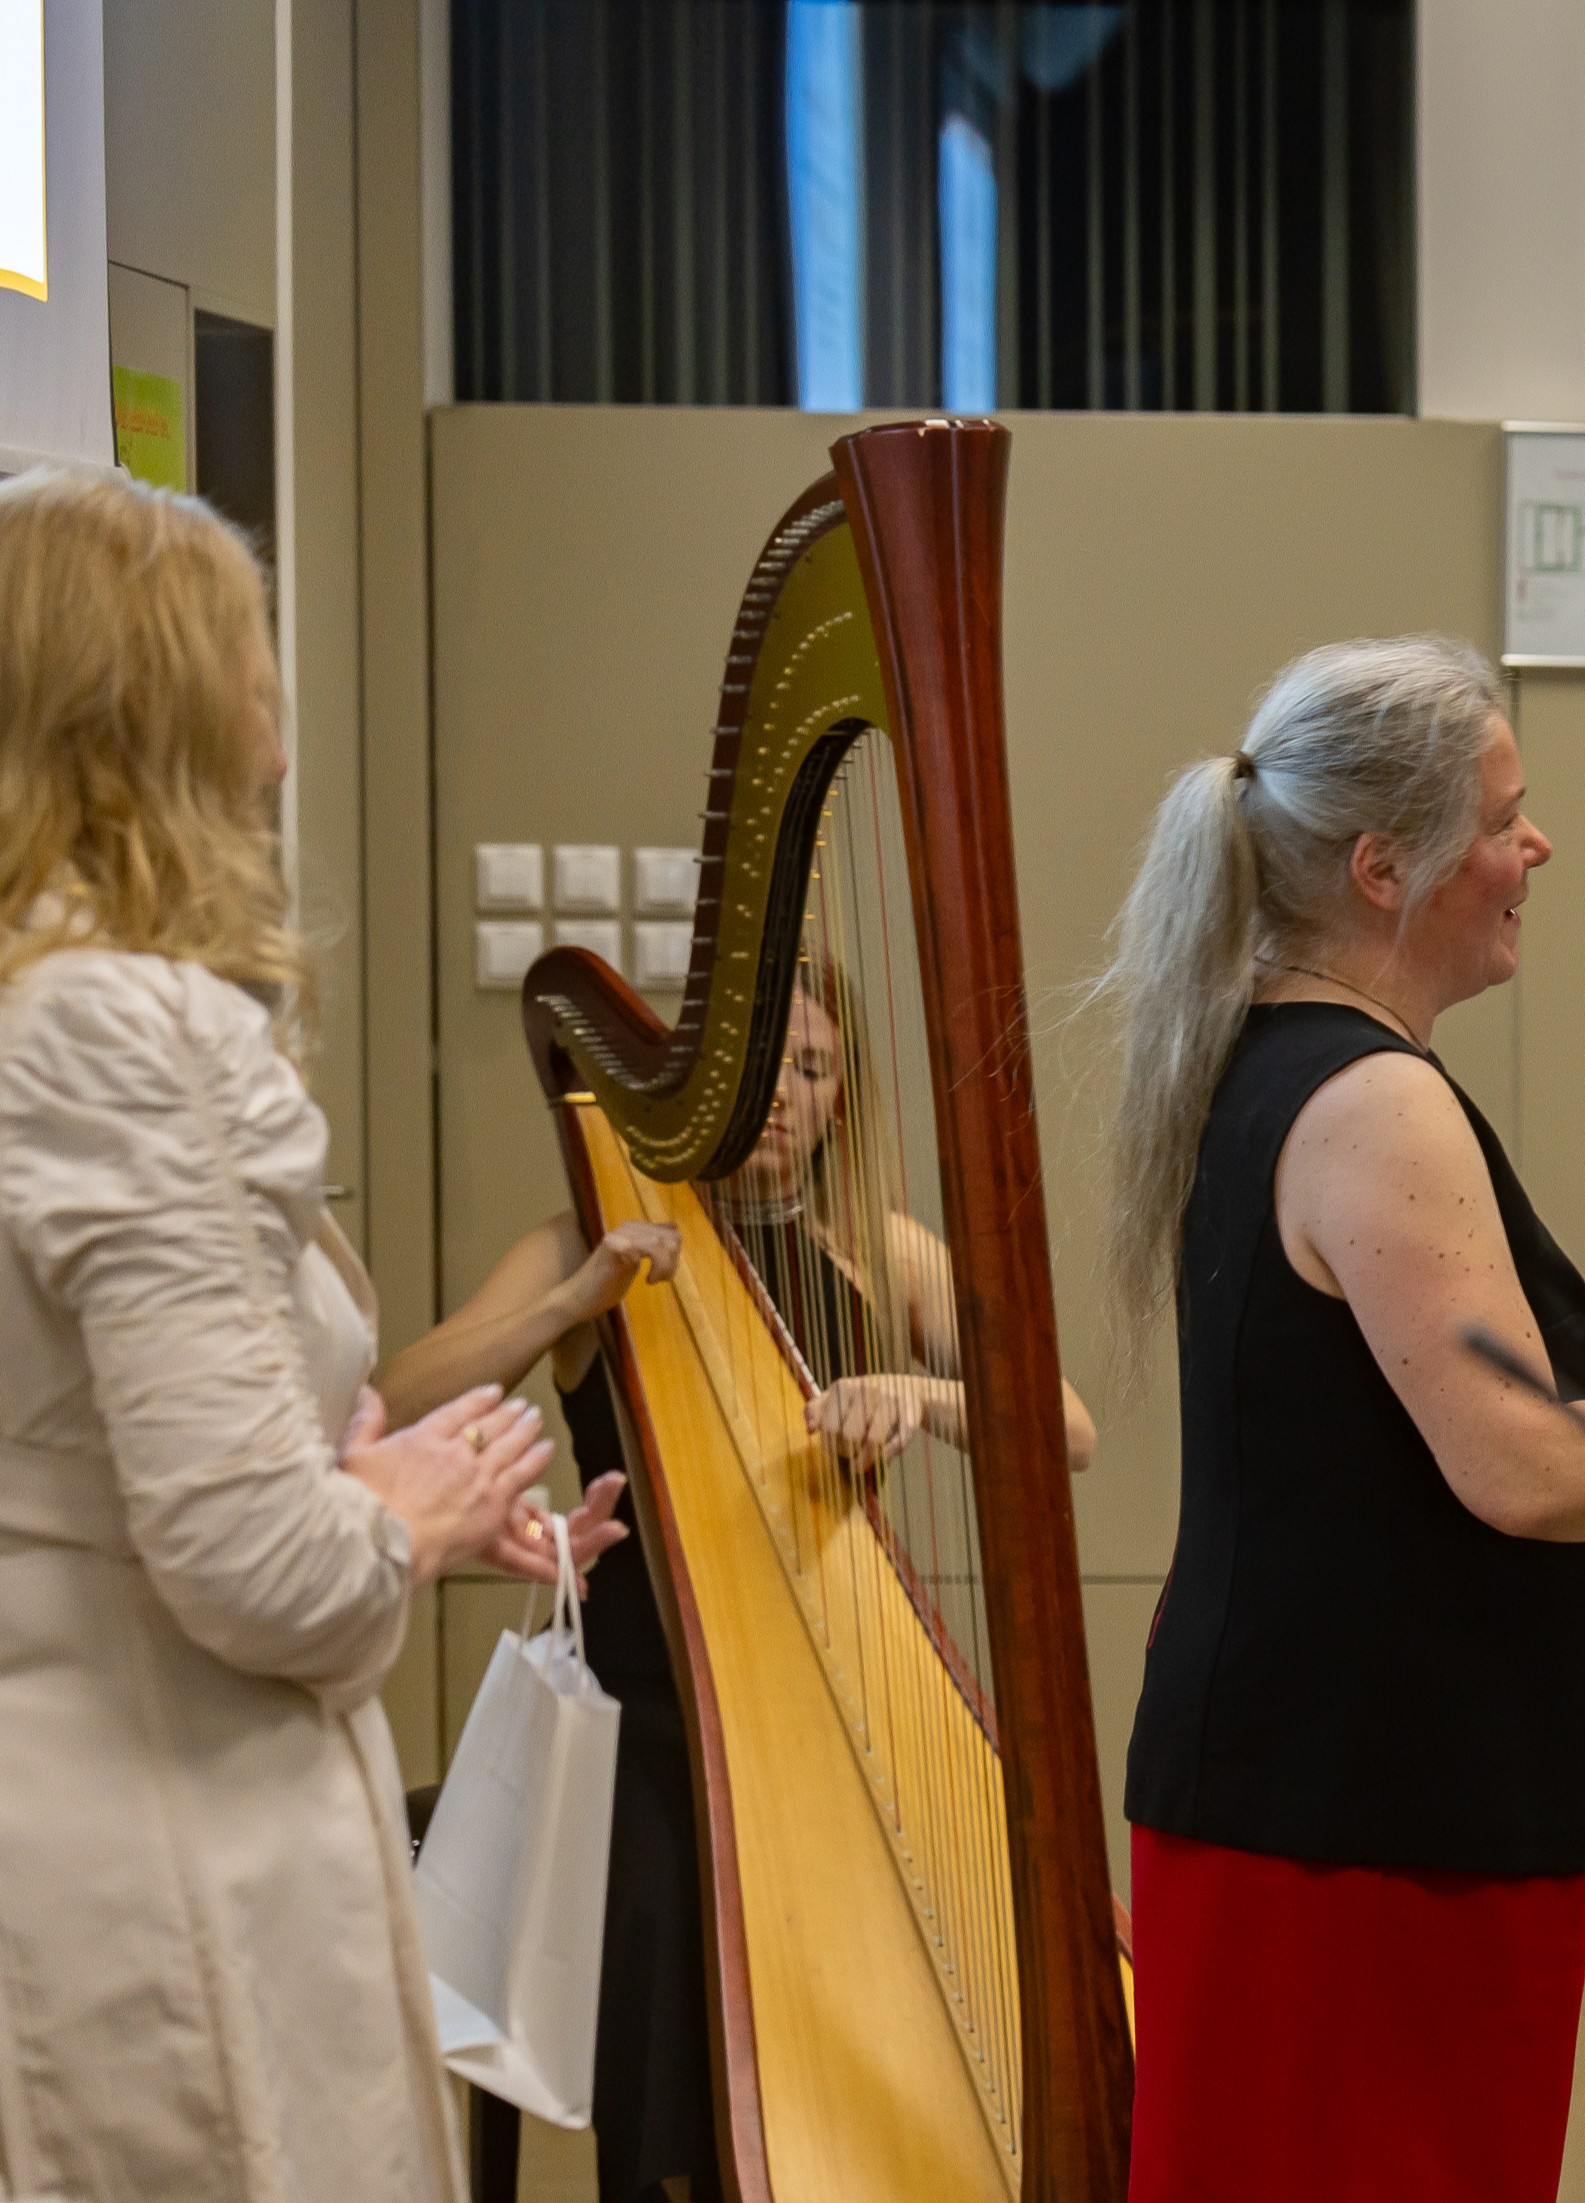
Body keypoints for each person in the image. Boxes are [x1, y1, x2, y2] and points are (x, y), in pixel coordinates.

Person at [1100, 635, 1585, 2203]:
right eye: (1503, 818)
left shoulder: (1269, 1061)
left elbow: (1365, 1414)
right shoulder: (1377, 1099)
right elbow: (1520, 1473)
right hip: (1362, 1812)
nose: (1539, 846)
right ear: (1384, 867)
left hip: (1330, 1780)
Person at [0, 465, 617, 2200]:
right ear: (149, 722)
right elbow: (259, 1573)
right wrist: (391, 1522)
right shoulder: (123, 1030)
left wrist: (385, 1483)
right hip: (168, 1842)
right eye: (248, 696)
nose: (276, 758)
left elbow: (90, 1450)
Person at [374, 961, 1099, 2203]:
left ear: (841, 1098)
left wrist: (918, 1396)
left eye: (813, 1071)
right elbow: (396, 1399)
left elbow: (1066, 1430)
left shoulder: (879, 1252)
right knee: (671, 1917)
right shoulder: (590, 1239)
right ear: (702, 1085)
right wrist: (572, 1302)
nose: (784, 1098)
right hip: (645, 1708)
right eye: (764, 1069)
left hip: (832, 1710)